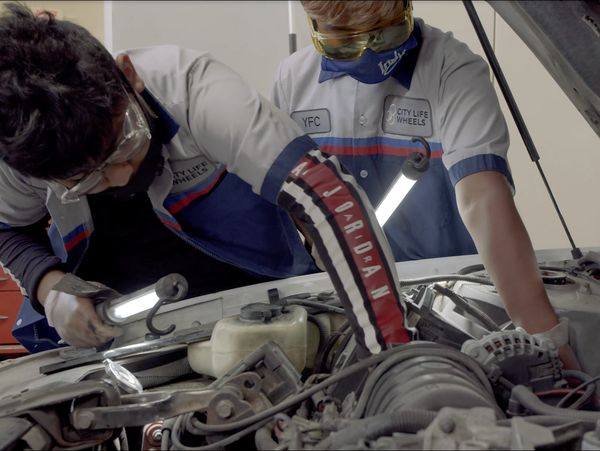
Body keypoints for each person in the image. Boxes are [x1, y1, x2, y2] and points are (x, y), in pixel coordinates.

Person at [0, 2, 410, 354]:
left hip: (258, 293)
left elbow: (325, 192)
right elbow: (7, 230)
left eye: (124, 142)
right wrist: (48, 285)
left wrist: (391, 352)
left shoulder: (194, 88)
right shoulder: (20, 152)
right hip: (119, 323)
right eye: (88, 179)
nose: (124, 174)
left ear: (128, 74)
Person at [272, 0, 579, 367]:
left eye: (384, 36)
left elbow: (483, 200)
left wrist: (547, 341)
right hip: (344, 302)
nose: (367, 51)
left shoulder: (452, 68)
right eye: (346, 43)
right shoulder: (292, 80)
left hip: (448, 304)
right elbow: (284, 205)